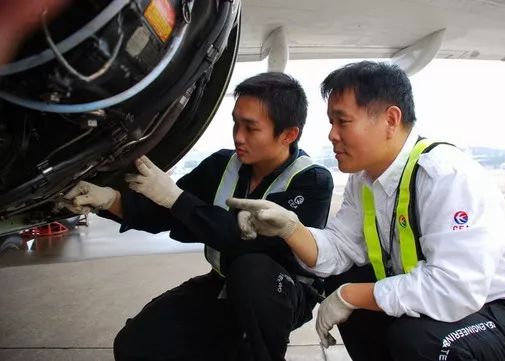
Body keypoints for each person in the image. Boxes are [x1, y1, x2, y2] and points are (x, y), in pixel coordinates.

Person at [227, 61, 505, 361]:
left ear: (390, 120)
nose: (332, 134)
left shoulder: (444, 175)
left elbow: (454, 290)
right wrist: (291, 228)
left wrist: (352, 295)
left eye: (342, 121)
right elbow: (339, 251)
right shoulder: (363, 181)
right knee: (345, 280)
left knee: (421, 340)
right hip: (462, 308)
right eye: (331, 122)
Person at [59, 72, 334, 361]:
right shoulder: (221, 165)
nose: (238, 136)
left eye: (251, 128)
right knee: (136, 345)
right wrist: (109, 199)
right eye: (236, 123)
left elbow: (250, 242)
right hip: (223, 284)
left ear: (288, 135)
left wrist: (176, 199)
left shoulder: (311, 181)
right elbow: (171, 215)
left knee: (253, 271)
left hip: (281, 292)